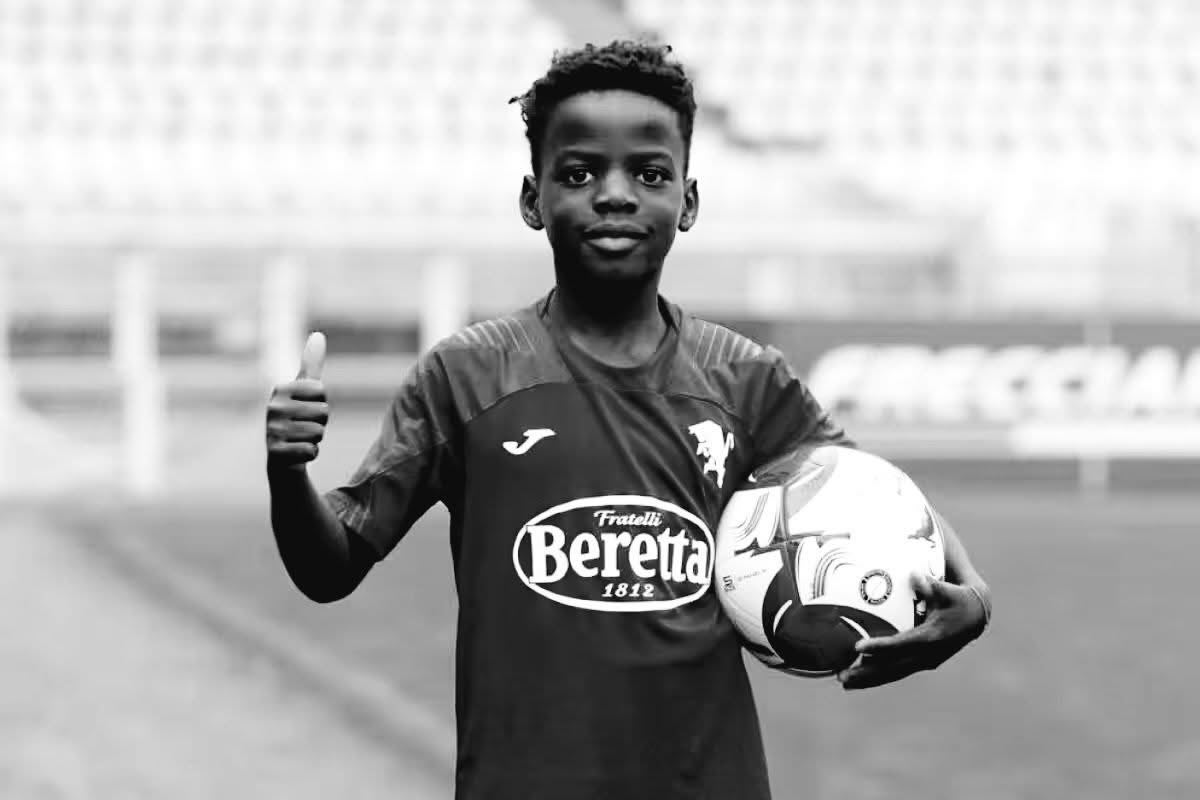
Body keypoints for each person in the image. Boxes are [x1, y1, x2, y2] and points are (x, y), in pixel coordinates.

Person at [265, 40, 992, 800]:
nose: (614, 195)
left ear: (688, 201)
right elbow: (329, 568)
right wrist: (288, 472)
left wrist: (972, 598)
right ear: (532, 199)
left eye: (649, 174)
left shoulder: (745, 379)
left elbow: (877, 500)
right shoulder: (466, 376)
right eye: (579, 173)